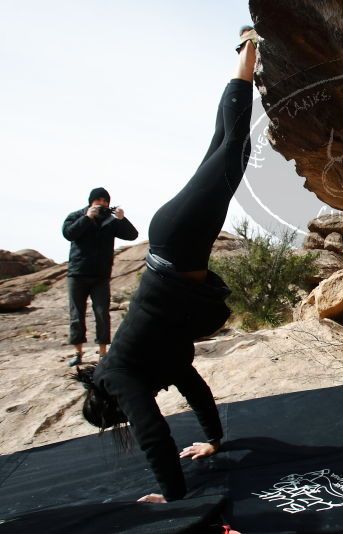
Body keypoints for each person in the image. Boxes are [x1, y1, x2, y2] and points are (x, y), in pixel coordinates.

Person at [71, 26, 259, 504]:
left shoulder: (119, 375)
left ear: (111, 406)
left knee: (234, 149)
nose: (135, 412)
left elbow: (153, 433)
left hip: (176, 243)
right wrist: (214, 440)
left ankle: (251, 47)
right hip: (174, 245)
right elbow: (195, 390)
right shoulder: (156, 359)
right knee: (225, 143)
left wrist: (171, 497)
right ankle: (245, 52)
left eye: (121, 417)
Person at [63, 187, 139, 366]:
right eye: (99, 200)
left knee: (102, 313)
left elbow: (132, 235)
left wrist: (122, 219)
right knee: (76, 315)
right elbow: (69, 234)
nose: (102, 204)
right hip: (77, 274)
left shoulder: (111, 221)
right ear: (91, 201)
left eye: (105, 201)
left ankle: (103, 354)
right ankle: (78, 353)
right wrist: (87, 218)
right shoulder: (76, 216)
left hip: (100, 276)